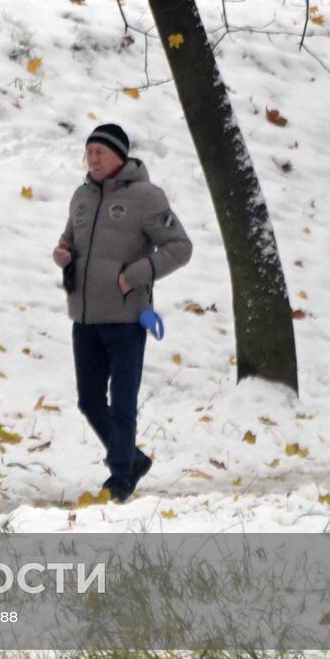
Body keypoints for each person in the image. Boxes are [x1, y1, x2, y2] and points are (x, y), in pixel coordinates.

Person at [53, 124, 192, 503]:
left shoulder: (147, 197)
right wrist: (62, 255)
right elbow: (69, 242)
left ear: (119, 155)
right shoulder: (81, 197)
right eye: (89, 152)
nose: (92, 158)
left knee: (124, 399)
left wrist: (137, 274)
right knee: (90, 401)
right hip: (84, 317)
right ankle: (132, 459)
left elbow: (179, 246)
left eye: (100, 151)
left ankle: (120, 478)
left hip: (127, 318)